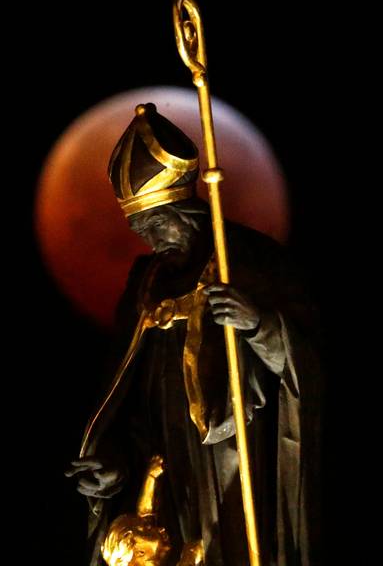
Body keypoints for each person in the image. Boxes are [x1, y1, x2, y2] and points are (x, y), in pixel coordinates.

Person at [66, 103, 322, 565]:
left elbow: (307, 363)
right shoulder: (146, 281)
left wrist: (259, 325)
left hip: (235, 455)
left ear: (184, 209)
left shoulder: (247, 261)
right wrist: (114, 466)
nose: (147, 239)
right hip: (165, 465)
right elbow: (128, 402)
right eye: (137, 228)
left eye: (152, 223)